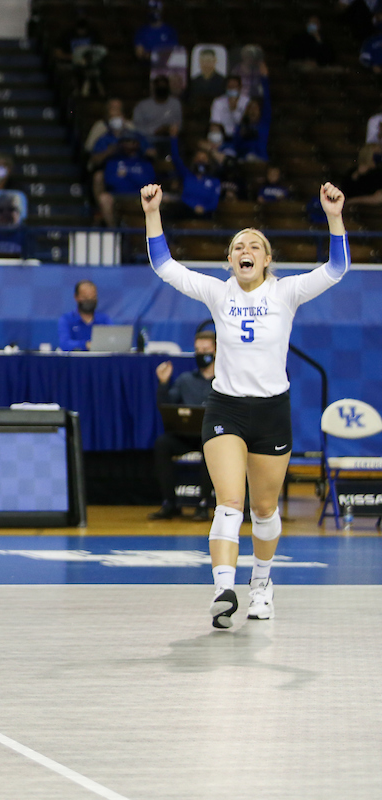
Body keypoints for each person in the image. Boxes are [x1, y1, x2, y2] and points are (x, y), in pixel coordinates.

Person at [141, 181, 349, 627]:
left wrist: (334, 216)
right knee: (229, 502)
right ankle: (223, 590)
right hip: (226, 409)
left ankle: (262, 584)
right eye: (238, 246)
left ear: (267, 260)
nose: (246, 249)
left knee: (264, 511)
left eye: (255, 245)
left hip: (272, 411)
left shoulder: (287, 293)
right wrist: (152, 211)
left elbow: (337, 268)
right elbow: (164, 265)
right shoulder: (219, 294)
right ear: (230, 260)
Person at [150, 331, 217, 521]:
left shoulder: (224, 381)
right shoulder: (185, 380)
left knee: (211, 446)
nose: (200, 353)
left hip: (211, 437)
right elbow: (167, 406)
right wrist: (163, 383)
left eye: (205, 350)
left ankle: (204, 504)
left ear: (216, 352)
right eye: (197, 350)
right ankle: (170, 503)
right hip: (186, 436)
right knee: (163, 443)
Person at [96, 132, 155, 227]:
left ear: (137, 144)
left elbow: (147, 181)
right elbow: (110, 180)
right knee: (104, 198)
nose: (128, 144)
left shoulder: (144, 162)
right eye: (125, 141)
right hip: (118, 195)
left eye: (131, 141)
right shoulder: (113, 161)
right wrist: (133, 178)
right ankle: (114, 231)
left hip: (139, 195)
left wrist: (126, 175)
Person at [169, 133, 222, 217]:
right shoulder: (187, 175)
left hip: (206, 214)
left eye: (203, 159)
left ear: (209, 162)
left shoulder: (214, 181)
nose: (200, 161)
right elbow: (176, 159)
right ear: (193, 160)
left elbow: (215, 201)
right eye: (198, 158)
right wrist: (174, 138)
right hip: (186, 210)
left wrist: (204, 208)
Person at [58, 280, 113, 351]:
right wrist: (85, 345)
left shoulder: (104, 319)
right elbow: (64, 344)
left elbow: (112, 341)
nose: (89, 300)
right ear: (76, 297)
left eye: (93, 297)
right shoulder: (66, 319)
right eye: (85, 297)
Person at [133, 76, 182, 152]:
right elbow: (137, 127)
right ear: (154, 87)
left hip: (169, 139)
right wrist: (155, 131)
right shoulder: (142, 105)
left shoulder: (175, 104)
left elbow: (179, 124)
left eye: (164, 86)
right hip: (149, 140)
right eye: (159, 86)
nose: (162, 88)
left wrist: (169, 129)